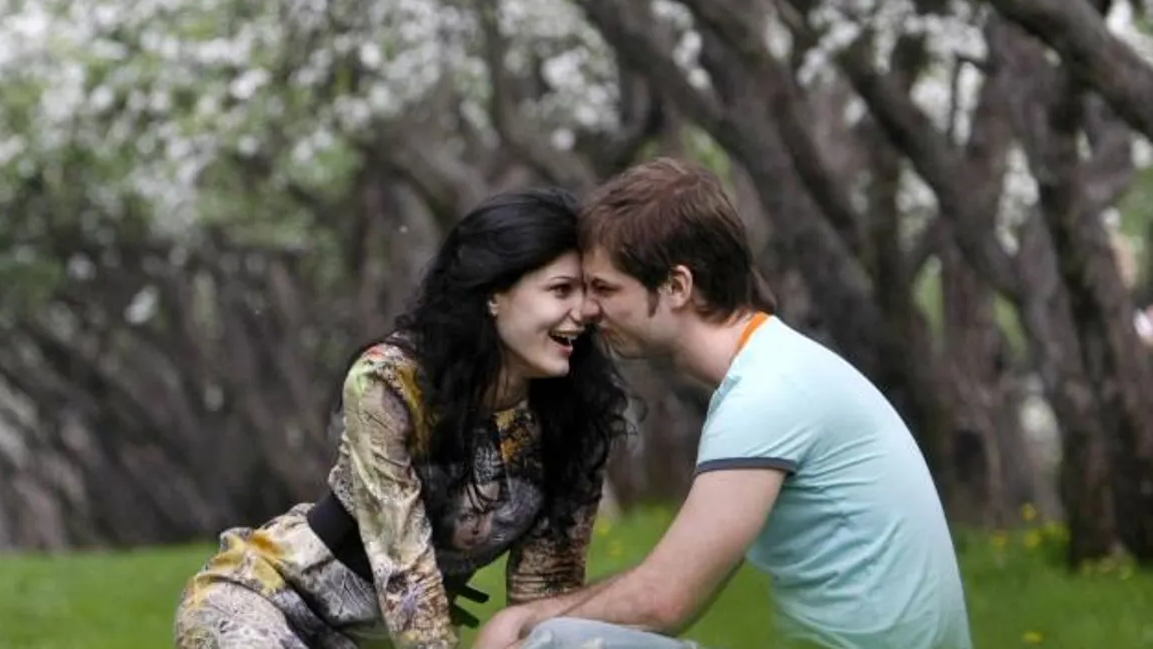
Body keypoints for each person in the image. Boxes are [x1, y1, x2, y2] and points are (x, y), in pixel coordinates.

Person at [475, 158, 972, 649]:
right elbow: (671, 574)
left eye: (605, 288)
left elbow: (664, 602)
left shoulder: (767, 394)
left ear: (677, 287)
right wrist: (528, 616)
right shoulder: (775, 369)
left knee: (555, 646)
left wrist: (526, 627)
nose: (587, 309)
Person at [173, 187, 630, 649]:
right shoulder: (390, 381)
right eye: (560, 290)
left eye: (589, 292)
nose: (585, 311)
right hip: (272, 605)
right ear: (495, 295)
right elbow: (405, 571)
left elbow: (545, 597)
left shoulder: (578, 416)